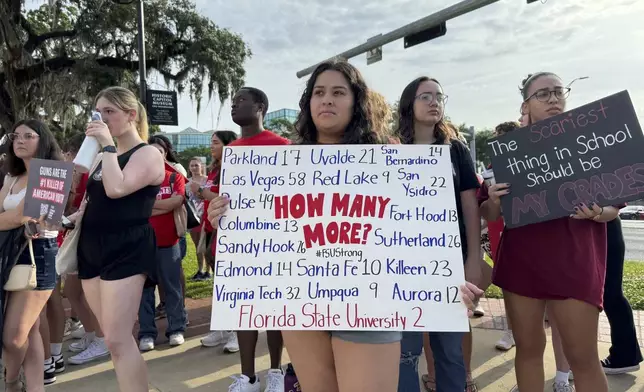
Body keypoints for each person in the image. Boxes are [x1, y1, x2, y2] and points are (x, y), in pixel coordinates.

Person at [208, 60, 484, 392]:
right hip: (301, 305)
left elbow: (415, 232)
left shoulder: (390, 158)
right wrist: (224, 216)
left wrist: (448, 280)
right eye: (319, 92)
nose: (327, 100)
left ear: (356, 102)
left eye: (339, 92)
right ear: (308, 103)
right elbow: (265, 238)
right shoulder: (281, 167)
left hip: (370, 305)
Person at [480, 72, 617, 392]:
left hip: (575, 260)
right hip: (523, 261)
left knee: (582, 358)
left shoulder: (588, 142)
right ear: (525, 104)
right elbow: (489, 213)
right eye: (543, 94)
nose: (553, 98)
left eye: (558, 92)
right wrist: (495, 200)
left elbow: (612, 209)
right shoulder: (508, 152)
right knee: (528, 351)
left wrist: (597, 212)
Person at [69, 86, 165, 391]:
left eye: (109, 111)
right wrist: (65, 220)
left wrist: (108, 147)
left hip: (127, 246)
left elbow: (117, 189)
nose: (101, 118)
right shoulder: (101, 156)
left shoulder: (148, 153)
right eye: (97, 112)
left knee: (117, 337)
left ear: (131, 115)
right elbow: (90, 202)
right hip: (92, 245)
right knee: (112, 340)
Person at [395, 77, 482, 392]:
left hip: (450, 264)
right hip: (400, 267)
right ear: (409, 104)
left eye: (439, 97)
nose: (434, 102)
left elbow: (470, 206)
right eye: (425, 96)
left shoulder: (455, 148)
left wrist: (473, 259)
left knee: (449, 349)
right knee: (405, 352)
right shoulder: (389, 147)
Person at [206, 87, 288, 392]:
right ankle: (248, 376)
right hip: (241, 244)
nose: (234, 105)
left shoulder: (283, 146)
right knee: (245, 309)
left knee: (276, 311)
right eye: (232, 102)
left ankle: (276, 371)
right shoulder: (232, 152)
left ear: (261, 106)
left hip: (276, 242)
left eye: (241, 100)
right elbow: (226, 198)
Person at [0, 119, 63, 392]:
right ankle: (36, 387)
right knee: (31, 330)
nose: (20, 140)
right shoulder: (11, 177)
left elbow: (22, 216)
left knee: (13, 338)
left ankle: (11, 381)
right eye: (16, 136)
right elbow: (10, 217)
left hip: (39, 254)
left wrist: (13, 219)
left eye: (29, 135)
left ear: (44, 140)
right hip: (10, 251)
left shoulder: (52, 172)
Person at [138, 136, 187, 351]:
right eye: (151, 151)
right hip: (142, 244)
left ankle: (176, 328)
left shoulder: (173, 177)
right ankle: (147, 333)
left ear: (165, 154)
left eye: (159, 150)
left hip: (169, 242)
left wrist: (150, 205)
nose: (155, 155)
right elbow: (135, 208)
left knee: (172, 288)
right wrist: (160, 206)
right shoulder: (137, 180)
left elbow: (177, 201)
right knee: (144, 291)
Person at [197, 130, 239, 352]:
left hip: (231, 233)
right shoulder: (214, 170)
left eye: (215, 142)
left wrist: (202, 191)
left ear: (228, 144)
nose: (211, 146)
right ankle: (222, 327)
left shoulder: (234, 168)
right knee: (219, 282)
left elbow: (232, 200)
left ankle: (236, 332)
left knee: (232, 284)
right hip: (212, 228)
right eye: (211, 142)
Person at [601, 216, 643, 373]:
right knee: (611, 295)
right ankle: (625, 355)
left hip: (604, 232)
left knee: (611, 295)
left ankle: (624, 356)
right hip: (602, 232)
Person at [185, 157, 209, 281]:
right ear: (189, 168)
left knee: (207, 245)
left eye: (196, 165)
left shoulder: (207, 181)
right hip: (194, 218)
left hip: (207, 216)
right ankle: (200, 269)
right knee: (197, 246)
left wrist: (200, 192)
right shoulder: (186, 183)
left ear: (201, 166)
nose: (194, 168)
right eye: (192, 166)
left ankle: (208, 271)